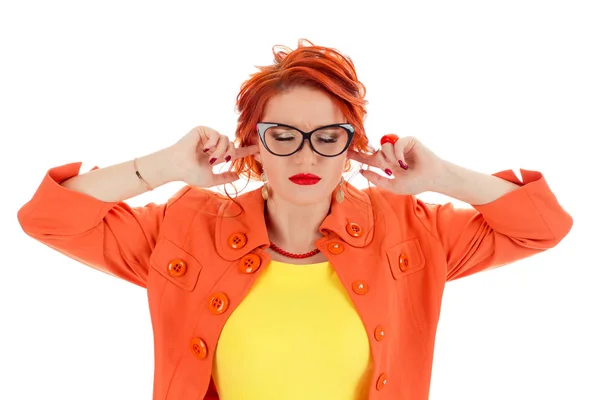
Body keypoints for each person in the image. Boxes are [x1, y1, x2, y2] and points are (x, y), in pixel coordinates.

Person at [17, 39, 573, 400]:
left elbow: (542, 227)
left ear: (351, 146)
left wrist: (442, 176)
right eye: (282, 136)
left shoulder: (413, 230)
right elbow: (49, 219)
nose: (306, 157)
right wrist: (161, 166)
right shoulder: (184, 228)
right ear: (251, 144)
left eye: (327, 137)